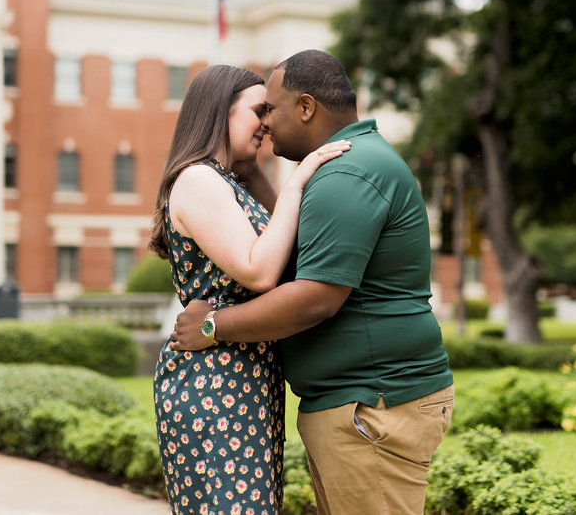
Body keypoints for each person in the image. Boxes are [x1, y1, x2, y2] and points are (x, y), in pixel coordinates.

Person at [169, 50, 454, 515]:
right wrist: (257, 174)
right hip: (363, 403)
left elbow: (316, 296)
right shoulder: (346, 167)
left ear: (305, 108)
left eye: (271, 109)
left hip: (372, 402)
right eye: (256, 112)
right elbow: (292, 246)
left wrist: (212, 326)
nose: (266, 123)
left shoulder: (347, 172)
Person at [149, 63, 350, 515]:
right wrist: (298, 178)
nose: (268, 121)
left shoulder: (227, 182)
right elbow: (260, 271)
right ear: (221, 110)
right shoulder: (199, 179)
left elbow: (291, 253)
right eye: (258, 110)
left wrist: (256, 170)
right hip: (214, 380)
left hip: (243, 375)